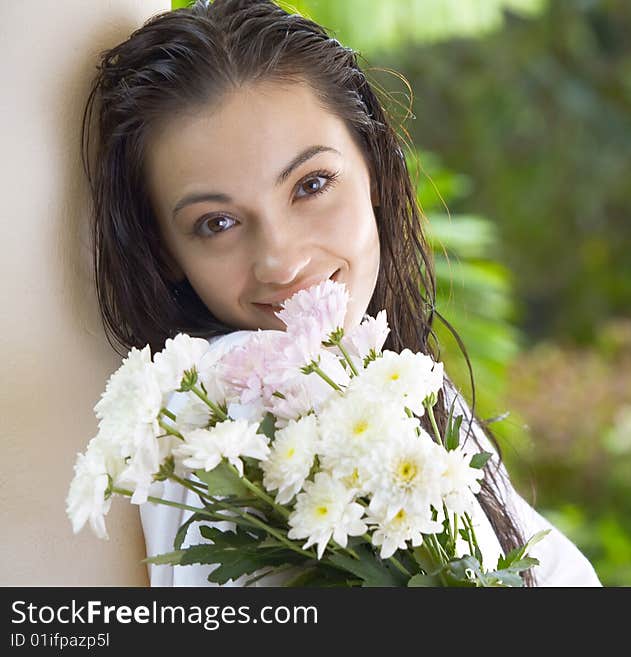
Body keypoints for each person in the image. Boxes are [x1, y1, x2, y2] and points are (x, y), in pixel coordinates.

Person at [82, 0, 600, 587]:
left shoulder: (400, 391)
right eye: (217, 222)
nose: (281, 260)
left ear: (375, 164)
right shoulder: (241, 412)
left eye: (312, 185)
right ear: (167, 252)